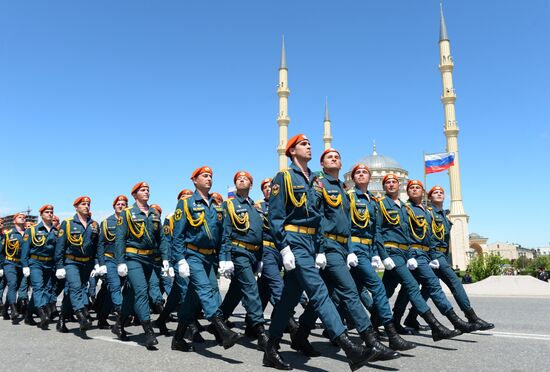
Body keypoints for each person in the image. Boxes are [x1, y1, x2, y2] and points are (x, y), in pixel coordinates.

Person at [264, 134, 382, 371]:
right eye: (303, 144)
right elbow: (275, 216)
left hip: (310, 242)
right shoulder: (284, 177)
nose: (309, 147)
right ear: (292, 151)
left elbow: (318, 217)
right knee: (318, 291)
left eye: (309, 144)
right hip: (294, 240)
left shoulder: (314, 181)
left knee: (288, 299)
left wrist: (318, 248)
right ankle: (349, 347)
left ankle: (270, 348)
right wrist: (285, 247)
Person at [293, 148, 400, 361]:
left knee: (324, 295)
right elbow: (316, 216)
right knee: (350, 291)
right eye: (329, 157)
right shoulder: (319, 182)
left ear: (342, 166)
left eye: (337, 157)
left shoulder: (341, 189)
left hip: (342, 247)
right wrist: (320, 249)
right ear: (322, 164)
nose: (334, 158)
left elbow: (347, 224)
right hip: (329, 246)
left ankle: (300, 335)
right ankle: (372, 341)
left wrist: (349, 250)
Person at [378, 174, 460, 341]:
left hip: (406, 253)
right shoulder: (381, 204)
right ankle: (437, 326)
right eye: (388, 182)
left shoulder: (402, 207)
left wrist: (411, 255)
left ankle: (379, 323)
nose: (392, 185)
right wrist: (382, 255)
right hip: (392, 252)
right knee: (413, 285)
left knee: (386, 291)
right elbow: (377, 230)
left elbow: (409, 234)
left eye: (395, 182)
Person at [402, 185, 494, 331]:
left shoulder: (444, 215)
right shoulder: (428, 213)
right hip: (431, 255)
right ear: (429, 197)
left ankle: (411, 317)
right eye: (435, 193)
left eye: (441, 193)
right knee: (454, 283)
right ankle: (471, 316)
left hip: (439, 255)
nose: (439, 194)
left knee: (426, 288)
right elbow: (427, 236)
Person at [347, 164, 416, 351]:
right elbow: (344, 225)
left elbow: (375, 231)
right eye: (358, 173)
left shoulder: (373, 202)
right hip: (355, 248)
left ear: (370, 178)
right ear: (353, 178)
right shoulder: (349, 197)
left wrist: (377, 254)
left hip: (369, 249)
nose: (361, 174)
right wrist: (350, 249)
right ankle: (391, 334)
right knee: (377, 287)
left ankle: (310, 330)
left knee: (347, 290)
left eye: (365, 172)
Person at [171, 166, 241, 351]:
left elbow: (224, 235)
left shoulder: (218, 206)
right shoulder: (186, 204)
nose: (209, 178)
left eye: (210, 176)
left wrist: (225, 257)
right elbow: (177, 235)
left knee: (193, 299)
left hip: (210, 258)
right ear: (194, 180)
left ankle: (177, 339)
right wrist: (179, 260)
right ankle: (222, 330)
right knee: (206, 290)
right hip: (192, 255)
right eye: (204, 176)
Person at [114, 182, 170, 349]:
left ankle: (119, 324)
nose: (146, 192)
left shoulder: (154, 214)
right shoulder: (127, 214)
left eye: (148, 190)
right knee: (141, 291)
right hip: (133, 258)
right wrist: (120, 262)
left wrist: (165, 258)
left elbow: (162, 238)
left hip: (150, 260)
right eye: (143, 190)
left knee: (132, 295)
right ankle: (148, 331)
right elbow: (120, 239)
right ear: (135, 194)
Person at [219, 170, 269, 351]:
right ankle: (261, 331)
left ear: (251, 184)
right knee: (251, 288)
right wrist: (226, 258)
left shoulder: (255, 208)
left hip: (254, 254)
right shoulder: (229, 205)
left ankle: (218, 322)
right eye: (238, 179)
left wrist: (261, 258)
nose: (241, 180)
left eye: (245, 178)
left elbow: (260, 234)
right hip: (238, 252)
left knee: (236, 292)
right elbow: (225, 232)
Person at [55, 196, 99, 332]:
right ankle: (81, 316)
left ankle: (62, 318)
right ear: (76, 207)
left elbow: (96, 246)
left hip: (87, 263)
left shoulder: (94, 224)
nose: (86, 206)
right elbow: (60, 247)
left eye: (88, 204)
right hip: (71, 262)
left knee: (77, 290)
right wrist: (59, 266)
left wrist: (97, 263)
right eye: (83, 204)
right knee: (75, 288)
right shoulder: (67, 223)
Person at [21, 205, 58, 329]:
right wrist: (25, 265)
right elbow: (25, 250)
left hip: (49, 264)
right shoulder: (32, 230)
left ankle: (28, 315)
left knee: (47, 290)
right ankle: (42, 314)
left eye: (51, 212)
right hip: (35, 263)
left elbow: (57, 251)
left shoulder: (56, 231)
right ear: (41, 214)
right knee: (38, 288)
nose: (49, 214)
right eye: (47, 212)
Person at [95, 195, 128, 329]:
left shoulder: (130, 220)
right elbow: (101, 244)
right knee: (114, 286)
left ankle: (102, 319)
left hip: (125, 260)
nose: (121, 206)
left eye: (123, 204)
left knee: (112, 291)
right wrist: (101, 263)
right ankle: (121, 312)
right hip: (110, 259)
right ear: (114, 206)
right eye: (118, 204)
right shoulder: (107, 222)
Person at [1, 212, 28, 323]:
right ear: (14, 221)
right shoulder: (8, 234)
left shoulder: (28, 233)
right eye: (20, 217)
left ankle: (5, 309)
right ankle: (13, 308)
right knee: (12, 284)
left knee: (17, 288)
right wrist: (1, 266)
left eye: (24, 218)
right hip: (10, 262)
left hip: (22, 264)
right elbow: (1, 251)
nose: (22, 219)